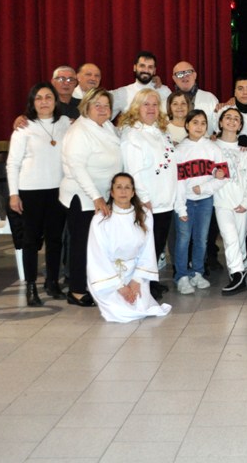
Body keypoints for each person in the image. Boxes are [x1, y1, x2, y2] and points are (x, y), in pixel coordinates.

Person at [7, 82, 71, 305]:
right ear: (32, 102)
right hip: (30, 191)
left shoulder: (66, 123)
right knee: (31, 241)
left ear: (55, 101)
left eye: (48, 97)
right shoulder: (23, 127)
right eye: (39, 98)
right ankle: (31, 286)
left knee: (55, 239)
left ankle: (52, 282)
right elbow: (13, 163)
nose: (44, 102)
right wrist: (13, 194)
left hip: (58, 190)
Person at [59, 88, 123, 306]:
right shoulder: (79, 131)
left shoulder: (106, 126)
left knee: (97, 245)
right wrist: (96, 197)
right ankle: (76, 290)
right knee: (81, 244)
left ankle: (93, 284)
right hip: (83, 196)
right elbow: (77, 168)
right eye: (97, 105)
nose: (103, 109)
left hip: (102, 195)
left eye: (106, 105)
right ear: (86, 107)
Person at [87, 173, 172, 322]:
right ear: (112, 192)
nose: (123, 191)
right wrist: (120, 286)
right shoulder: (101, 218)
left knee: (141, 307)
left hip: (136, 271)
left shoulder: (144, 215)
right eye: (119, 187)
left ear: (133, 192)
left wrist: (136, 280)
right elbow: (98, 256)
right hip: (109, 274)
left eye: (127, 187)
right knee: (119, 312)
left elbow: (147, 251)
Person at [119, 88, 178, 301]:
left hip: (165, 199)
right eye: (146, 104)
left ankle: (151, 281)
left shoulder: (161, 131)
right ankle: (142, 286)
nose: (151, 108)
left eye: (154, 104)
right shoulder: (132, 135)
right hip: (149, 201)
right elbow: (133, 171)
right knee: (146, 246)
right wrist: (144, 198)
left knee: (157, 245)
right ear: (137, 107)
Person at [172, 110, 226, 294]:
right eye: (195, 122)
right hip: (185, 201)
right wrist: (181, 208)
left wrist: (204, 188)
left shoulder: (213, 148)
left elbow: (223, 176)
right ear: (187, 125)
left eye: (203, 123)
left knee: (201, 239)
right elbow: (178, 183)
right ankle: (181, 275)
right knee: (183, 239)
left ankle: (197, 272)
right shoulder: (179, 150)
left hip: (205, 201)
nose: (199, 126)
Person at [212, 107, 247, 295]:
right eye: (228, 117)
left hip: (242, 203)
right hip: (222, 202)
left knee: (239, 240)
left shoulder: (244, 149)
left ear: (240, 126)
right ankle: (237, 274)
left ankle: (242, 266)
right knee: (230, 237)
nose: (232, 121)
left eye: (236, 119)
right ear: (220, 122)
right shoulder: (212, 146)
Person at [111, 51, 172, 118]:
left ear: (154, 70)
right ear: (135, 67)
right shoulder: (122, 93)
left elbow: (174, 118)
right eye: (142, 66)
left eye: (150, 67)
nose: (146, 70)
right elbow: (104, 116)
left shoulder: (164, 91)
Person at [171, 61, 219, 127]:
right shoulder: (167, 102)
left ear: (195, 75)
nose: (184, 76)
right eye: (179, 74)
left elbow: (218, 126)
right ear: (174, 78)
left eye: (188, 72)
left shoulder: (210, 98)